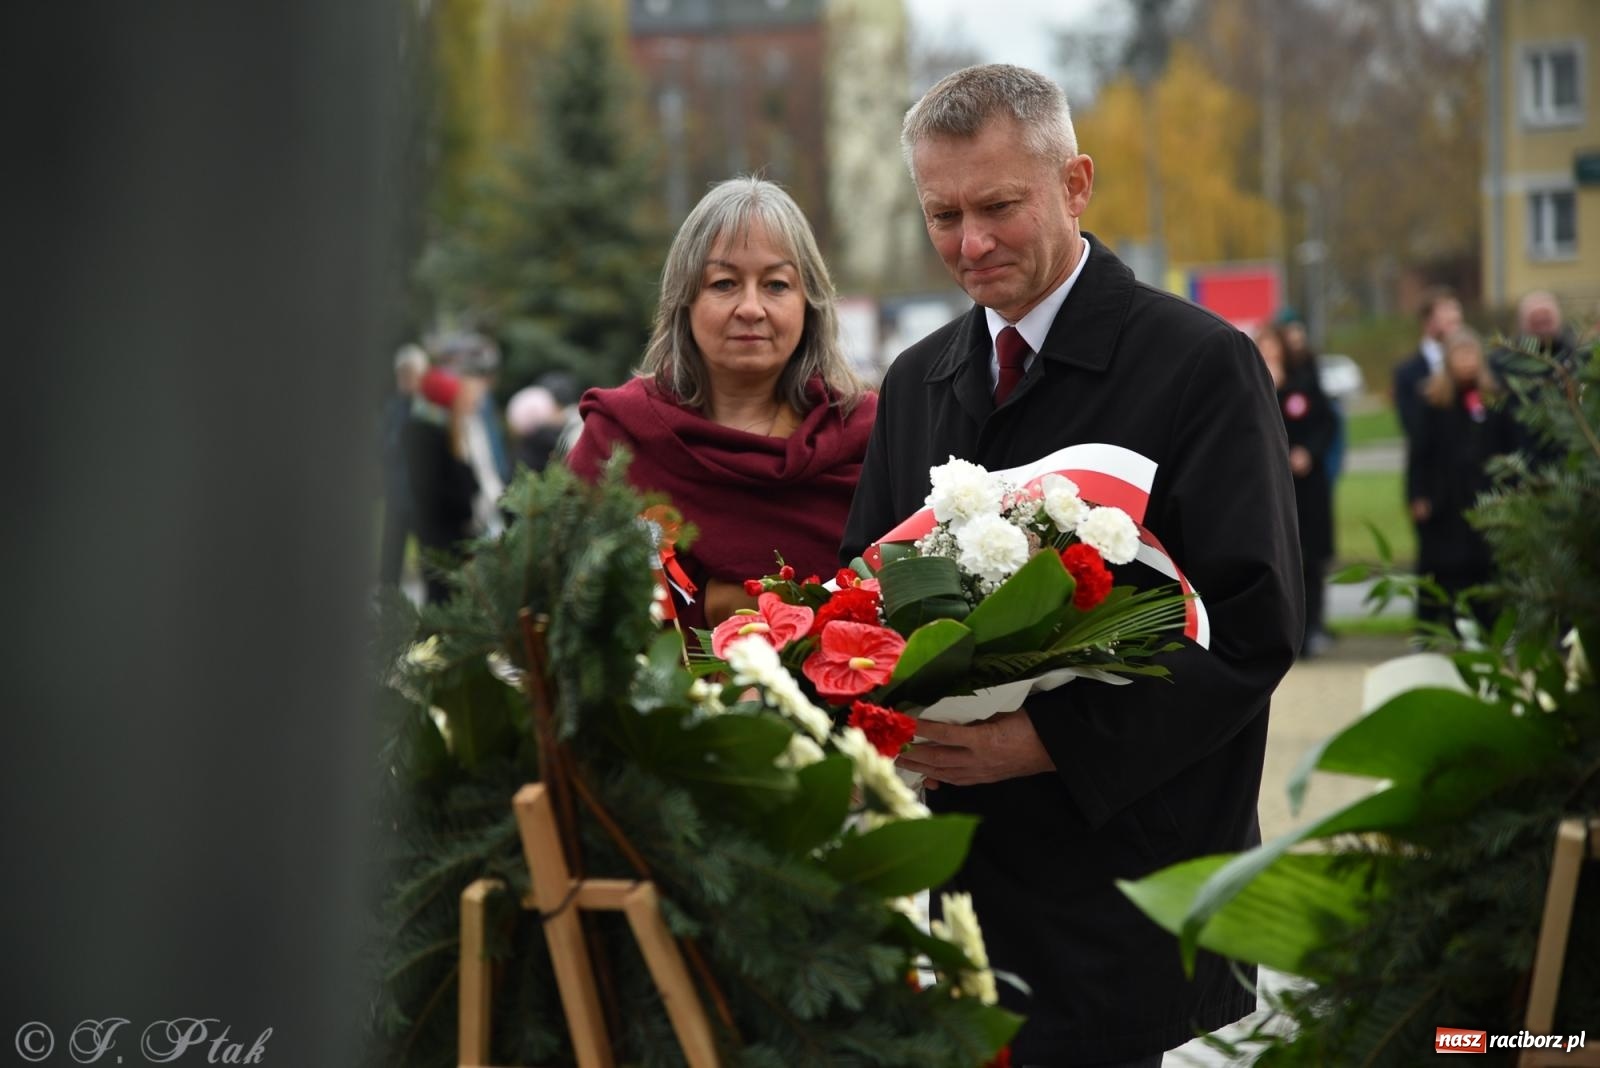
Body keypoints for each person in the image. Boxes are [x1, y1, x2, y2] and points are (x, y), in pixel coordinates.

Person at [841, 64, 1301, 1065]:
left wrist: (1049, 739)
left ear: (1076, 183)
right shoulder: (915, 383)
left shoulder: (1199, 365)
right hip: (959, 892)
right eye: (943, 215)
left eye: (998, 207)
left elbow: (1251, 628)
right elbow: (859, 602)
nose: (971, 244)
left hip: (1120, 896)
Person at [566, 177, 875, 631]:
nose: (751, 307)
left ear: (809, 303)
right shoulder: (618, 441)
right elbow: (564, 609)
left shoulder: (868, 439)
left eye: (776, 285)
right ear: (684, 300)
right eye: (724, 283)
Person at [1408, 328, 1518, 631]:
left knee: (1484, 566)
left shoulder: (1495, 398)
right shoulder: (1432, 401)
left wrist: (1510, 490)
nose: (1467, 361)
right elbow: (1419, 454)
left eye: (1472, 355)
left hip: (1486, 497)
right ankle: (1434, 629)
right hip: (1444, 499)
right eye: (1461, 355)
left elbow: (1510, 447)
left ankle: (1488, 629)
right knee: (1441, 568)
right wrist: (1417, 495)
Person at [1258, 325, 1338, 658]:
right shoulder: (1249, 383)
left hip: (1306, 487)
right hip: (1267, 487)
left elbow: (1327, 423)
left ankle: (1313, 627)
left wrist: (1308, 452)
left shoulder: (1303, 383)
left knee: (1311, 558)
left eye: (1273, 345)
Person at [379, 343, 428, 587]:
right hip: (397, 491)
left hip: (423, 495)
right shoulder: (393, 407)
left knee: (430, 559)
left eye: (411, 374)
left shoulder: (428, 408)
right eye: (402, 374)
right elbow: (384, 445)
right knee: (391, 557)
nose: (406, 380)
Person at [1393, 287, 1464, 450]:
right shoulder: (1406, 373)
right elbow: (1412, 426)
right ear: (1428, 321)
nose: (1455, 317)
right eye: (1447, 312)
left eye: (1456, 311)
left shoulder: (1478, 364)